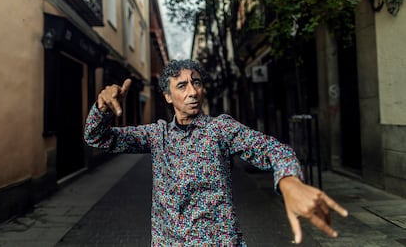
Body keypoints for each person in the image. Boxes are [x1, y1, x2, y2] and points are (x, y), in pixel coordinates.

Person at [84, 59, 348, 246]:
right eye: (182, 86)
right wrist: (101, 107)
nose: (192, 91)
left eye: (196, 83)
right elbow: (97, 137)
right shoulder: (157, 135)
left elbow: (271, 148)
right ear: (167, 96)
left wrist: (289, 181)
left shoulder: (220, 129)